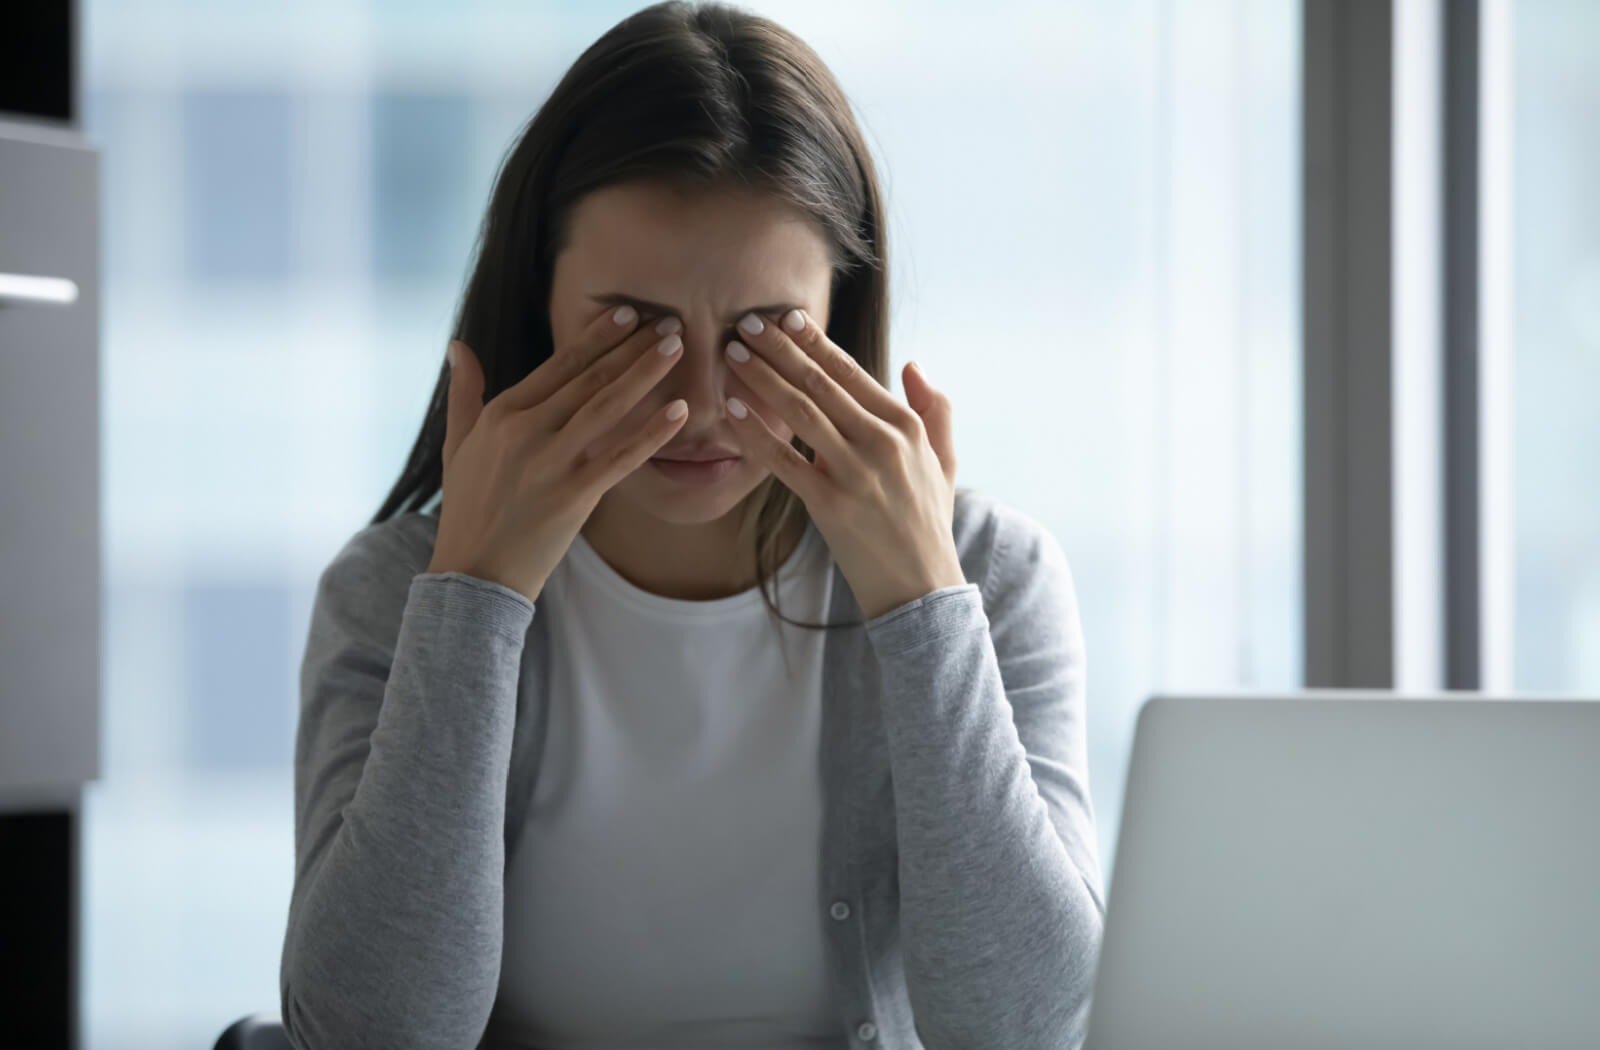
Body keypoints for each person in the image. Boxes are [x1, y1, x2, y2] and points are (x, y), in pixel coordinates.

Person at [277, 3, 1104, 1048]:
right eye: (634, 330)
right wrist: (474, 597)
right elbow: (367, 1034)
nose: (703, 403)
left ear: (840, 322)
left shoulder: (990, 574)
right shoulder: (397, 592)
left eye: (766, 334)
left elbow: (1023, 1029)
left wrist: (921, 602)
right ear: (538, 309)